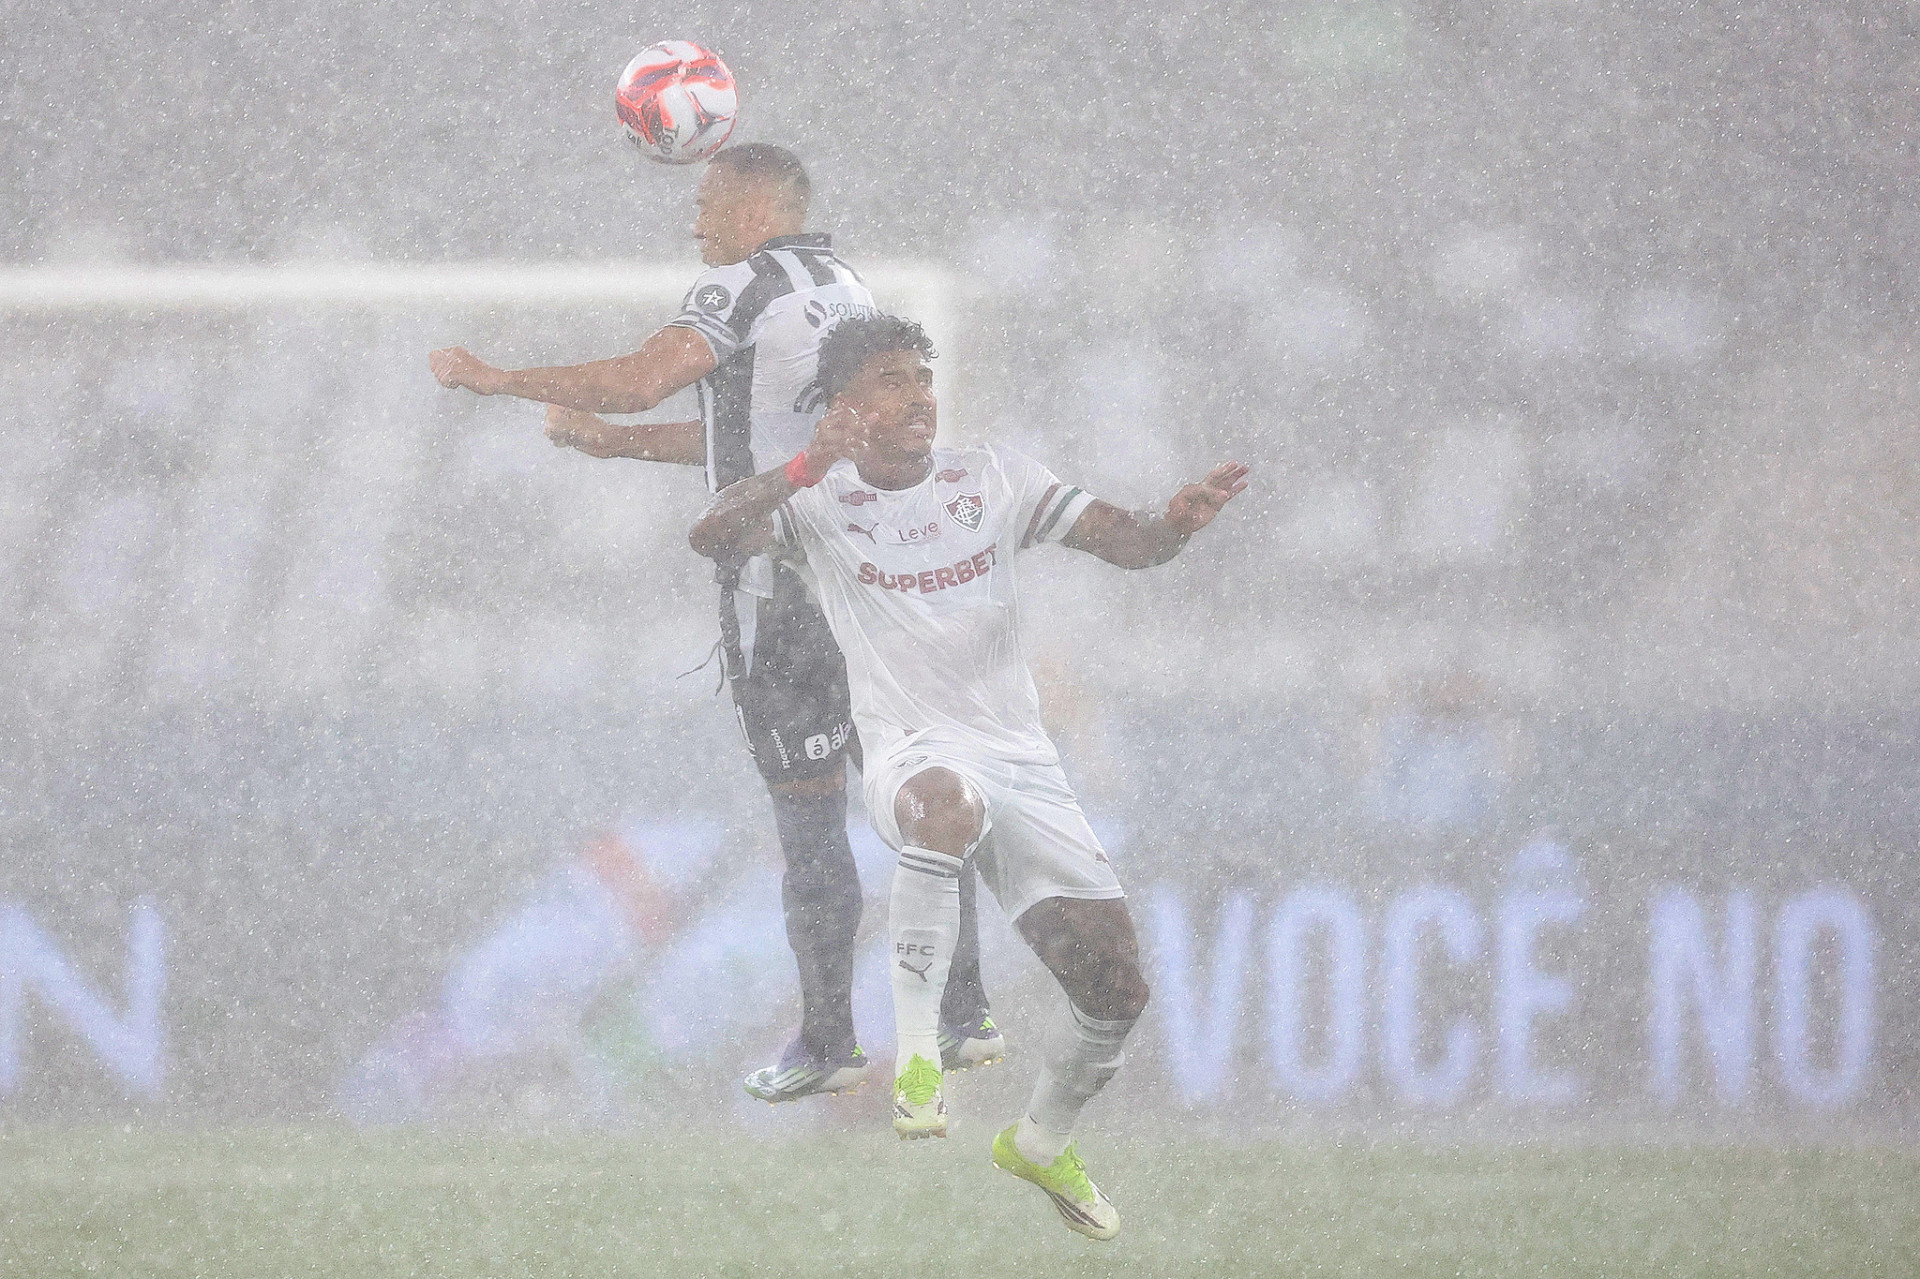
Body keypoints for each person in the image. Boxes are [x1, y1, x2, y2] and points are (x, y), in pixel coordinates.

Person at [426, 144, 1003, 1104]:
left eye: (706, 202)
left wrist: (501, 377)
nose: (694, 222)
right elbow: (746, 437)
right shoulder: (845, 289)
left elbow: (650, 375)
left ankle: (829, 1037)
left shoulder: (744, 285)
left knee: (812, 820)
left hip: (788, 597)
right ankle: (964, 1008)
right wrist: (611, 444)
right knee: (914, 799)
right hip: (874, 585)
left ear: (754, 207)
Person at [689, 314, 1247, 1241]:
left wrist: (1174, 524)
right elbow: (712, 535)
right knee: (941, 804)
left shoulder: (994, 478)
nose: (918, 397)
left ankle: (1040, 1140)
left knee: (1117, 992)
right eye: (892, 382)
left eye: (922, 377)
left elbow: (1132, 542)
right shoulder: (816, 502)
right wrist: (802, 464)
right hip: (908, 748)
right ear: (844, 406)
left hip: (1023, 758)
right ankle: (916, 1060)